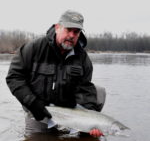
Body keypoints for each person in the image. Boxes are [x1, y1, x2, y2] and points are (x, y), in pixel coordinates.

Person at [6, 10, 106, 138]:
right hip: (39, 110)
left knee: (99, 92)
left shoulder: (83, 58)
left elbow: (85, 89)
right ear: (57, 27)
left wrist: (92, 121)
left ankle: (79, 128)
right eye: (68, 29)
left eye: (76, 32)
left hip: (70, 111)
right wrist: (32, 103)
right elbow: (14, 77)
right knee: (37, 138)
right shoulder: (34, 48)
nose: (72, 35)